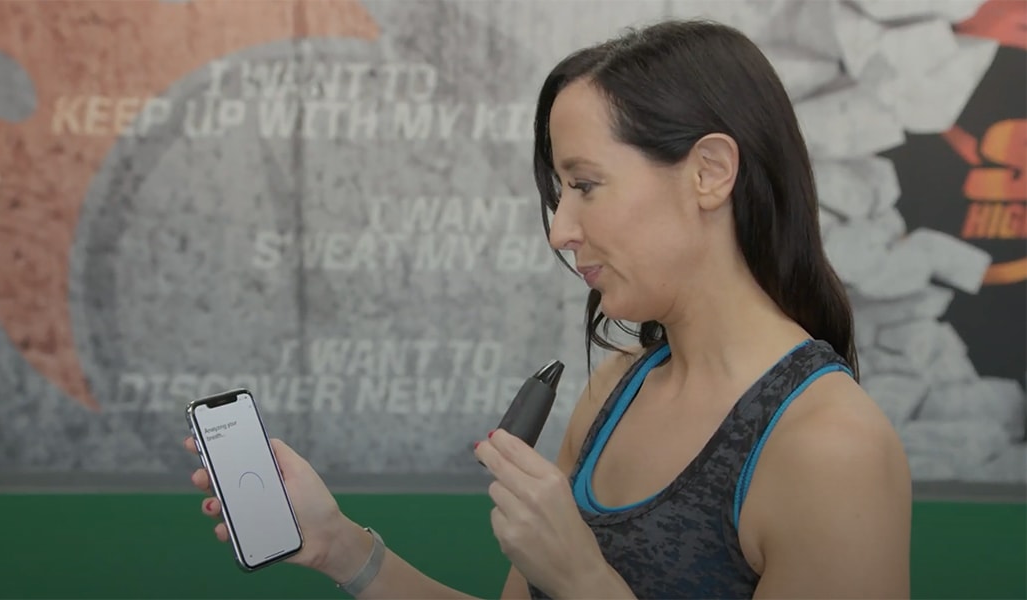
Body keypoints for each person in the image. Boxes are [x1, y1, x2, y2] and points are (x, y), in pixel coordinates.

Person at [184, 18, 912, 599]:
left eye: (586, 184)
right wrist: (342, 546)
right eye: (559, 192)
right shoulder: (612, 392)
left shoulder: (831, 447)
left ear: (710, 173)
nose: (560, 230)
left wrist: (585, 581)